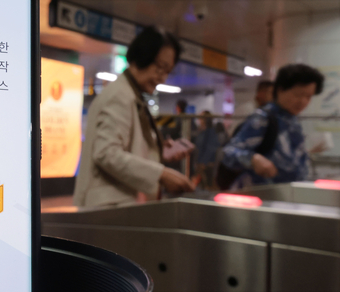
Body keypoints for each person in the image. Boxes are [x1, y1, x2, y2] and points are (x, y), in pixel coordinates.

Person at [73, 27, 194, 208]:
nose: (162, 78)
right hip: (105, 207)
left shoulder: (130, 94)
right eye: (160, 68)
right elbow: (107, 153)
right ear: (142, 56)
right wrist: (161, 174)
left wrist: (158, 152)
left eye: (167, 71)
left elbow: (123, 148)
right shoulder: (120, 96)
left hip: (113, 205)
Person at [222, 64, 324, 188]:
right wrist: (253, 159)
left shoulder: (293, 121)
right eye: (298, 95)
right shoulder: (263, 118)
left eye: (308, 97)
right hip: (261, 195)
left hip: (288, 195)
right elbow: (229, 152)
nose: (303, 102)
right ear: (280, 90)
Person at [193, 111, 220, 190]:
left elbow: (211, 148)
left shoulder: (211, 132)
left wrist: (203, 163)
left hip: (207, 165)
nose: (199, 120)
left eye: (201, 118)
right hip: (200, 163)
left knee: (208, 186)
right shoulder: (201, 131)